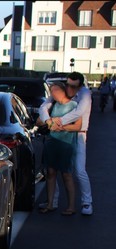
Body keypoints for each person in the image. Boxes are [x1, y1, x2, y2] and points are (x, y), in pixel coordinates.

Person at [38, 72, 93, 215]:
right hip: (57, 135)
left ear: (80, 86)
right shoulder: (60, 93)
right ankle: (53, 201)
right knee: (52, 171)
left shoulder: (84, 95)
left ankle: (86, 202)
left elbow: (78, 112)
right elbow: (43, 107)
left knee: (78, 170)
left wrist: (59, 122)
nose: (70, 88)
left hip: (79, 135)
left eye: (73, 86)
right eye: (68, 84)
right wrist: (49, 121)